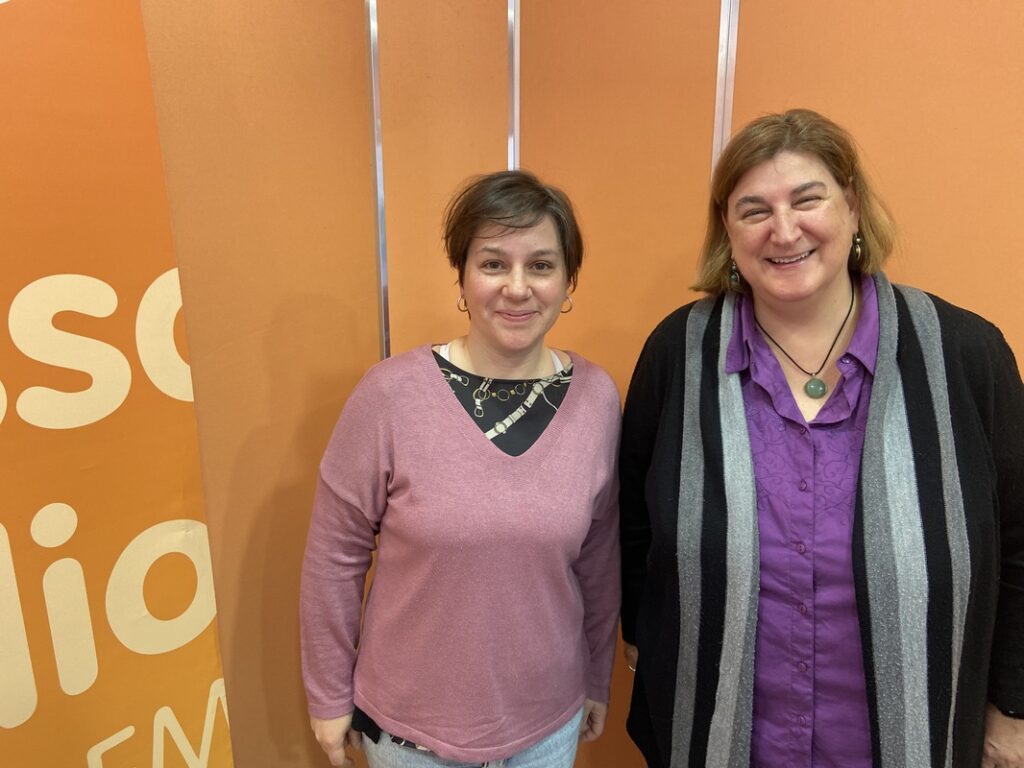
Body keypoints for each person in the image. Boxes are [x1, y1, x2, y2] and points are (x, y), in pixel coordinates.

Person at [619, 108, 1024, 767]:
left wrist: (1011, 711)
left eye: (807, 200)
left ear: (853, 207)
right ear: (727, 229)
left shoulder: (964, 355)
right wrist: (645, 639)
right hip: (722, 741)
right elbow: (635, 524)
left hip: (907, 740)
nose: (784, 230)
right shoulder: (679, 353)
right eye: (754, 210)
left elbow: (1020, 543)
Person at [300, 169, 621, 768]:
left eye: (541, 265)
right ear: (463, 275)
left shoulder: (597, 398)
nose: (517, 288)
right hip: (411, 733)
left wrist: (596, 676)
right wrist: (328, 693)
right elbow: (334, 555)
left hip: (547, 724)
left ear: (568, 281)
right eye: (494, 264)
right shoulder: (389, 396)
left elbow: (600, 559)